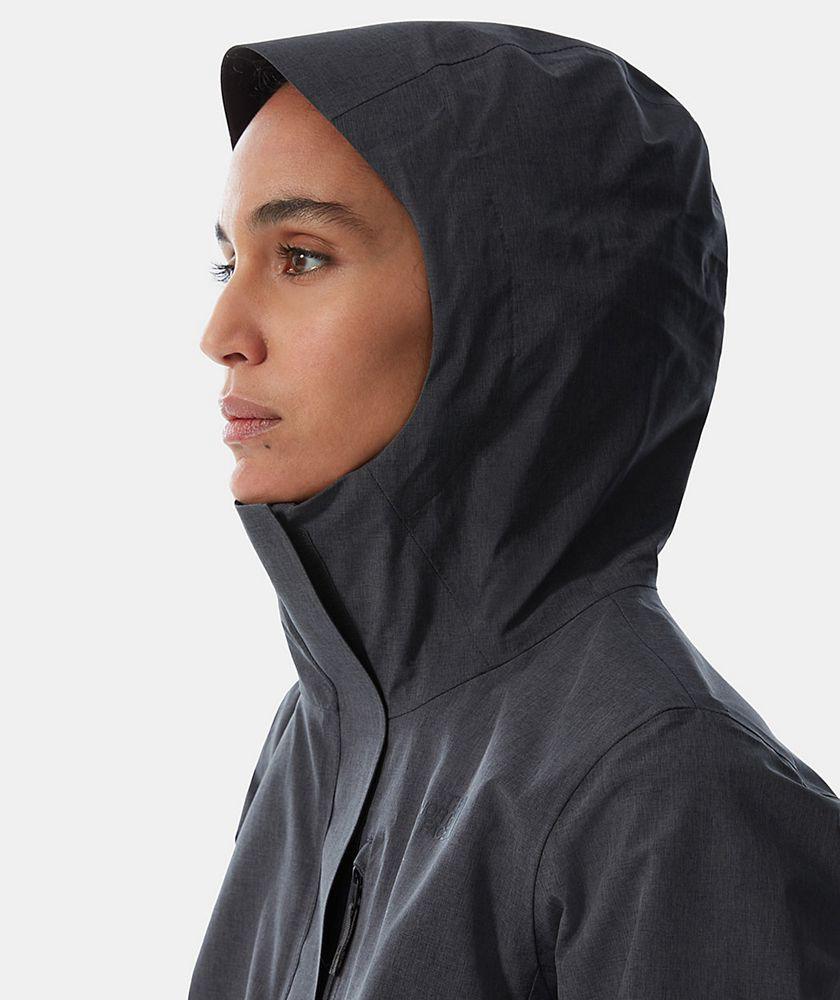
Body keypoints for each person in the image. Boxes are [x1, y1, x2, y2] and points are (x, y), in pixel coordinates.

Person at [193, 21, 840, 1000]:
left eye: (303, 257)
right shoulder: (325, 733)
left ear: (511, 311)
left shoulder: (667, 795)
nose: (222, 332)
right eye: (226, 262)